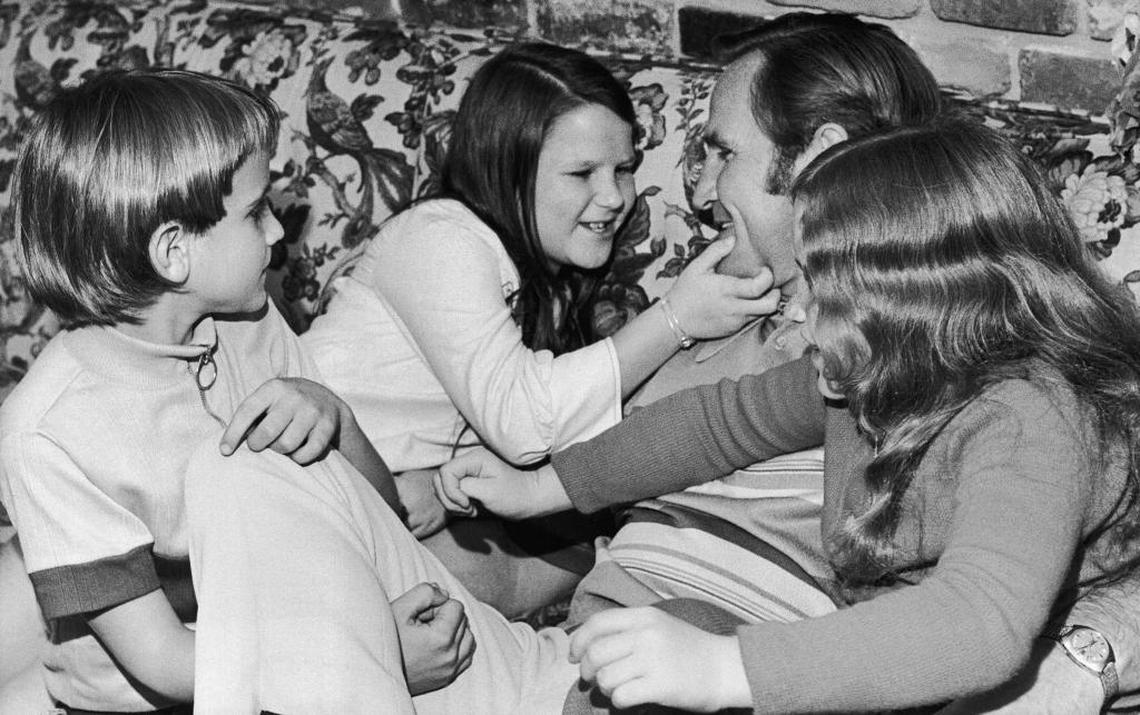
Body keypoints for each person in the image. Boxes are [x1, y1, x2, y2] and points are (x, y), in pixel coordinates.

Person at [437, 118, 1140, 712]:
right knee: (646, 653)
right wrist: (546, 486)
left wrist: (726, 668)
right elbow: (717, 423)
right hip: (891, 652)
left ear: (911, 296)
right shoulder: (871, 367)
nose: (795, 313)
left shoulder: (1029, 416)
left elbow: (978, 622)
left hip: (998, 665)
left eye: (819, 290)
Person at [0, 68, 567, 713]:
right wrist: (374, 649)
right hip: (175, 681)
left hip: (293, 629)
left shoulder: (246, 319)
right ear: (173, 252)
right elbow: (163, 664)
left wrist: (335, 417)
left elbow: (378, 511)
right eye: (254, 212)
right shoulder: (46, 433)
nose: (277, 232)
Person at [301, 41, 778, 615]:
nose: (614, 197)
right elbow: (523, 424)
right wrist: (675, 318)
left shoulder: (553, 275)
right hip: (292, 474)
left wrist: (437, 485)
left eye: (624, 169)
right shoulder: (440, 236)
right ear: (507, 171)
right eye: (581, 173)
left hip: (382, 497)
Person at [575, 11, 945, 627]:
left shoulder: (910, 357)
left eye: (724, 154)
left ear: (820, 159)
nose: (700, 194)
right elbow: (577, 503)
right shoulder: (713, 302)